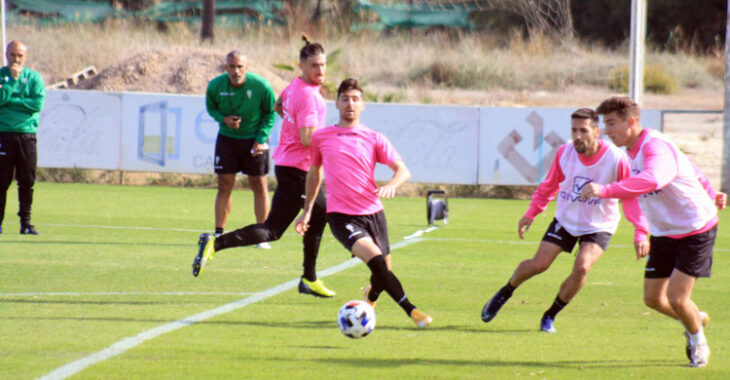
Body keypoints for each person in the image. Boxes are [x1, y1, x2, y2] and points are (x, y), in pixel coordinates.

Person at [581, 96, 726, 368]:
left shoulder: (654, 146)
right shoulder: (629, 152)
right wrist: (711, 191)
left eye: (611, 123)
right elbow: (690, 163)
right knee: (653, 299)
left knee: (676, 297)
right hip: (664, 232)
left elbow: (653, 179)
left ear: (631, 122)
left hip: (695, 228)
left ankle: (698, 342)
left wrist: (606, 189)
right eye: (605, 124)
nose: (607, 130)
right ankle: (693, 317)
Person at [481, 108, 649, 333]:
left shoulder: (617, 159)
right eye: (574, 130)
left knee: (582, 267)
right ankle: (506, 291)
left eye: (583, 130)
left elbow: (630, 196)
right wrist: (531, 213)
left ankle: (550, 316)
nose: (577, 136)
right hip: (566, 219)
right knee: (539, 265)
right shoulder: (564, 152)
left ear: (597, 132)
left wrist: (640, 232)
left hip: (599, 225)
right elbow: (549, 186)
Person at [192, 36, 336, 298]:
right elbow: (307, 139)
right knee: (295, 221)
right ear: (302, 66)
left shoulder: (295, 86)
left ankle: (309, 278)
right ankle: (218, 242)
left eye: (324, 65)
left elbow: (279, 106)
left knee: (283, 227)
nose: (321, 71)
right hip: (299, 170)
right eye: (315, 65)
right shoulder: (309, 96)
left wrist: (291, 127)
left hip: (290, 165)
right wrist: (332, 141)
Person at [294, 78, 433, 328]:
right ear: (336, 103)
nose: (350, 103)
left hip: (374, 213)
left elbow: (403, 170)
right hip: (342, 217)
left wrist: (391, 185)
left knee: (383, 274)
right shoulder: (321, 137)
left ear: (363, 105)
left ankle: (370, 297)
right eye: (345, 98)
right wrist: (307, 211)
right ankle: (412, 311)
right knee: (378, 262)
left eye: (355, 99)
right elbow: (314, 174)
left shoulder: (373, 137)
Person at [205, 50, 276, 247]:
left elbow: (270, 114)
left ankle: (262, 235)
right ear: (225, 67)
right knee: (225, 184)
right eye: (232, 66)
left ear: (246, 68)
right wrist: (223, 120)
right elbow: (211, 107)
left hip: (255, 139)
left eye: (240, 67)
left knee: (259, 183)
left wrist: (260, 138)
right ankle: (219, 233)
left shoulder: (261, 86)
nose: (236, 71)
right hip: (227, 139)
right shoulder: (215, 86)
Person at [0, 40, 45, 235]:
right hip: (4, 134)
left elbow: (36, 104)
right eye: (12, 55)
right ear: (6, 55)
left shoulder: (34, 78)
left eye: (19, 56)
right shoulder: (2, 76)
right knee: (1, 181)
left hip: (27, 134)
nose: (16, 59)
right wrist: (11, 83)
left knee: (27, 180)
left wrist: (11, 102)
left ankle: (25, 224)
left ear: (25, 57)